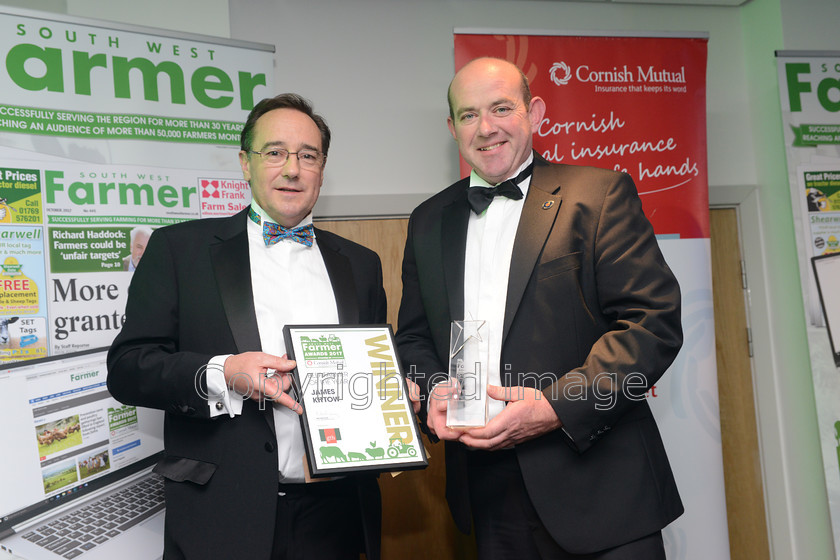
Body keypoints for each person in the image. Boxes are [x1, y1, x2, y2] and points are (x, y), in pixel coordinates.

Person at [395, 57, 684, 559]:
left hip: (599, 487)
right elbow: (416, 337)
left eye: (501, 108)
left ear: (535, 112)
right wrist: (432, 388)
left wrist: (554, 408)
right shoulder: (427, 221)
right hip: (486, 495)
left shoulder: (599, 194)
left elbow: (650, 322)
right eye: (468, 115)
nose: (485, 128)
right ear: (452, 128)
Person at [107, 93, 385, 560]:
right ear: (245, 163)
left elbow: (372, 367)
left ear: (321, 168)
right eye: (275, 152)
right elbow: (129, 369)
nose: (292, 169)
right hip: (220, 517)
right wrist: (224, 374)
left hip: (336, 516)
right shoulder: (180, 251)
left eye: (308, 156)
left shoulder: (361, 264)